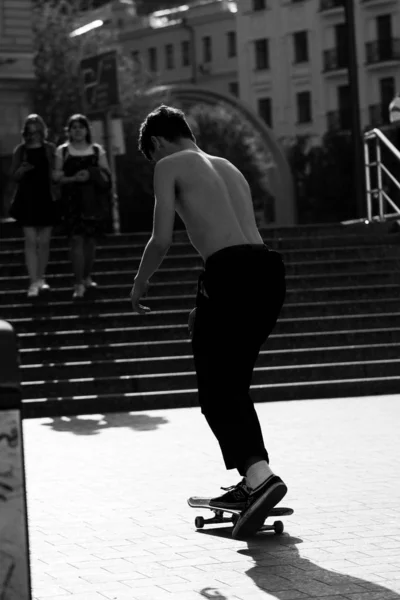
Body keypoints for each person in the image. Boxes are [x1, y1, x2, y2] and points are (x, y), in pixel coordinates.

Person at [130, 105, 288, 539]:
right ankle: (255, 476)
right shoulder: (228, 166)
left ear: (157, 143)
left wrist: (140, 283)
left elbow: (161, 238)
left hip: (229, 275)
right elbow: (239, 244)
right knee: (232, 383)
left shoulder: (168, 165)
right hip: (268, 273)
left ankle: (258, 477)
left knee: (216, 391)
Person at [53, 114, 111, 299]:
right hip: (71, 202)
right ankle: (78, 282)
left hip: (93, 202)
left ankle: (87, 277)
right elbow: (56, 177)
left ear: (87, 130)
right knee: (76, 240)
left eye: (81, 126)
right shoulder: (62, 151)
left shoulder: (97, 150)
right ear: (69, 131)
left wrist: (92, 174)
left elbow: (107, 176)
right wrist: (73, 178)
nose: (77, 130)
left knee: (90, 242)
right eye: (73, 127)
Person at [9, 114, 58, 298]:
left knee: (44, 242)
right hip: (26, 198)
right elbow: (13, 175)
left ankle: (41, 278)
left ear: (42, 130)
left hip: (46, 196)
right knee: (30, 241)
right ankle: (33, 282)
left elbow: (56, 171)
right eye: (31, 130)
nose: (35, 134)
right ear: (26, 132)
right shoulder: (20, 150)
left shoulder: (50, 149)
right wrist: (22, 169)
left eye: (37, 130)